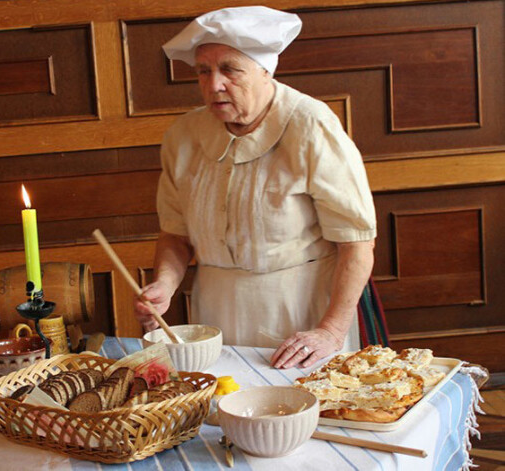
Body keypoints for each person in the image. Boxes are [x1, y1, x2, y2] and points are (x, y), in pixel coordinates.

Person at [134, 6, 376, 369]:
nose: (214, 84)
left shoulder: (312, 126)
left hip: (300, 313)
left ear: (266, 71)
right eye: (204, 71)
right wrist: (165, 286)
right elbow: (175, 235)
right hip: (214, 312)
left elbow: (357, 243)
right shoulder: (183, 136)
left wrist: (330, 330)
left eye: (229, 69)